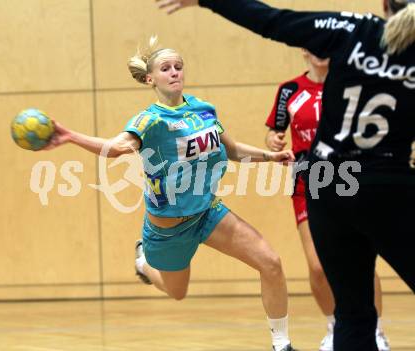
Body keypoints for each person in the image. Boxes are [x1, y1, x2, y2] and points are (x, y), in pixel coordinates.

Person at [156, 1, 415, 350]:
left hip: (327, 181)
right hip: (384, 181)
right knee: (343, 295)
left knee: (353, 314)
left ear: (386, 4)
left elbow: (272, 21)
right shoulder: (294, 87)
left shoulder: (353, 28)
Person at [45, 37, 298, 351]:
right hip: (168, 228)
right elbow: (117, 148)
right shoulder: (149, 120)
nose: (175, 72)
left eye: (178, 66)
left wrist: (269, 156)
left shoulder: (204, 110)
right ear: (151, 78)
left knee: (270, 262)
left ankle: (281, 343)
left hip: (208, 213)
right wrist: (70, 136)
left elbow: (231, 150)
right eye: (166, 68)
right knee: (178, 292)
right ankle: (143, 262)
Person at [265, 49, 390, 351]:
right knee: (319, 267)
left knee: (360, 261)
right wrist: (273, 141)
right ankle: (336, 325)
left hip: (351, 178)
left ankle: (374, 330)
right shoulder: (290, 90)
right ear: (304, 51)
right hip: (309, 182)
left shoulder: (350, 84)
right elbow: (273, 132)